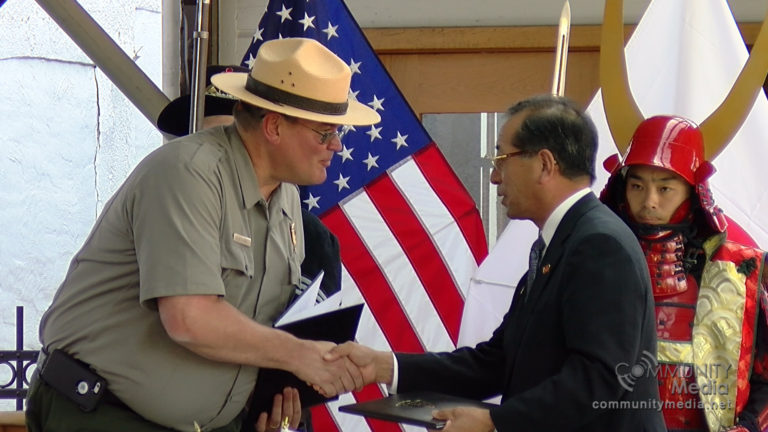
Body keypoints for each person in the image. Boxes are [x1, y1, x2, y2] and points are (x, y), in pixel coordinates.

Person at [26, 37, 379, 432]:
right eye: (323, 132)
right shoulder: (189, 172)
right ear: (274, 126)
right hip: (102, 409)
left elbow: (260, 327)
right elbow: (189, 318)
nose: (336, 145)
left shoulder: (288, 201)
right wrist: (300, 355)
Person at [327, 94, 665, 431]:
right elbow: (499, 361)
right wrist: (385, 366)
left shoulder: (598, 244)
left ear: (545, 164)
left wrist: (494, 422)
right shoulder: (562, 240)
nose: (494, 177)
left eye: (502, 159)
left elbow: (598, 379)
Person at [154, 63, 343, 432]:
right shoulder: (172, 192)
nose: (229, 158)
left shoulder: (305, 230)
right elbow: (185, 319)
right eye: (218, 139)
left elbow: (306, 340)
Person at [599, 115, 768, 432]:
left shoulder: (739, 272)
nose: (649, 201)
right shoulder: (591, 266)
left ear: (693, 192)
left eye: (665, 188)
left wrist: (747, 427)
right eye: (637, 186)